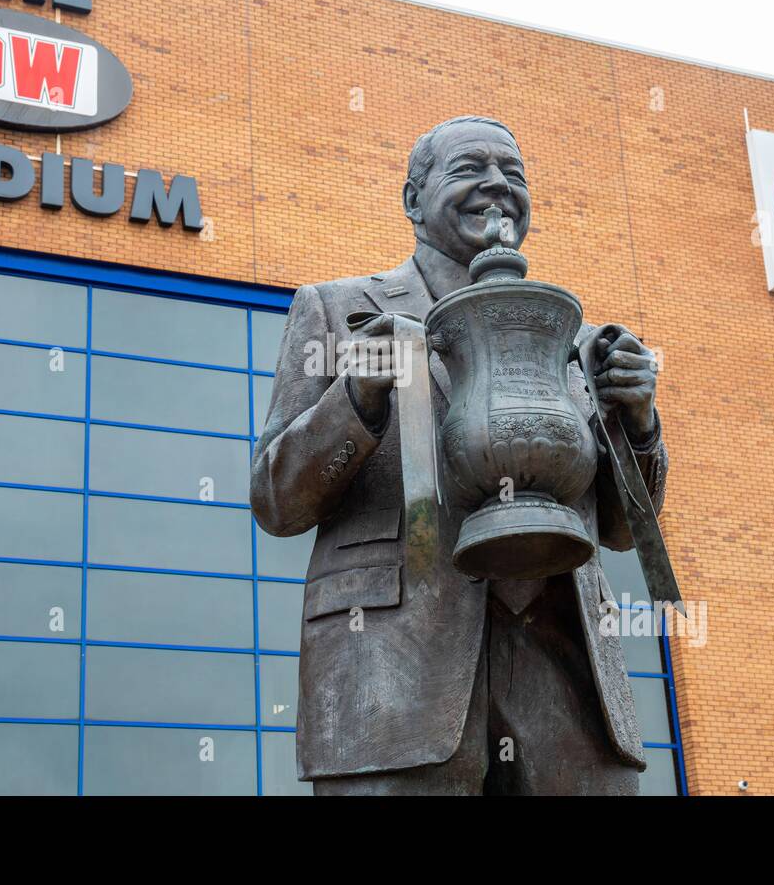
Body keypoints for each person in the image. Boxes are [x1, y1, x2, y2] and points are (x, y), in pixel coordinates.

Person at [251, 115, 667, 794]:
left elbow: (625, 533)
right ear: (414, 199)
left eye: (514, 173)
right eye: (471, 169)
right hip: (394, 677)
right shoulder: (337, 310)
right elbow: (276, 498)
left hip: (567, 684)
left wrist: (640, 425)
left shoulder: (581, 340)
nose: (497, 186)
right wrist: (357, 396)